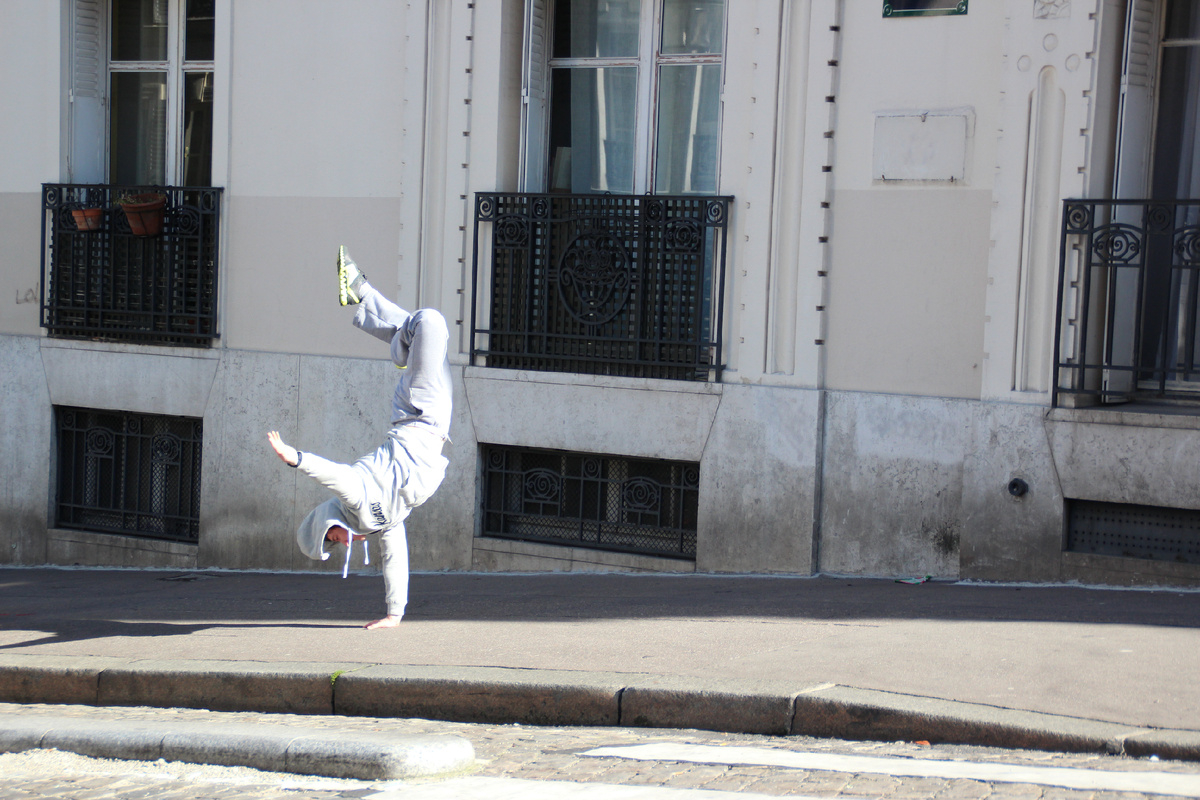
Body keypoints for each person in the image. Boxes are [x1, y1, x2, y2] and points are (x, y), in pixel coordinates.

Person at [267, 246, 452, 629]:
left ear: (327, 522)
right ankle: (370, 304)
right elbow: (395, 559)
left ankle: (379, 315)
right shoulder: (380, 523)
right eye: (336, 545)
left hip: (418, 413)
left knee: (431, 323)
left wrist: (294, 458)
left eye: (332, 538)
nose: (341, 542)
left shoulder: (356, 499)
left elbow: (334, 475)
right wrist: (394, 614)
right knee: (423, 334)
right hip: (432, 423)